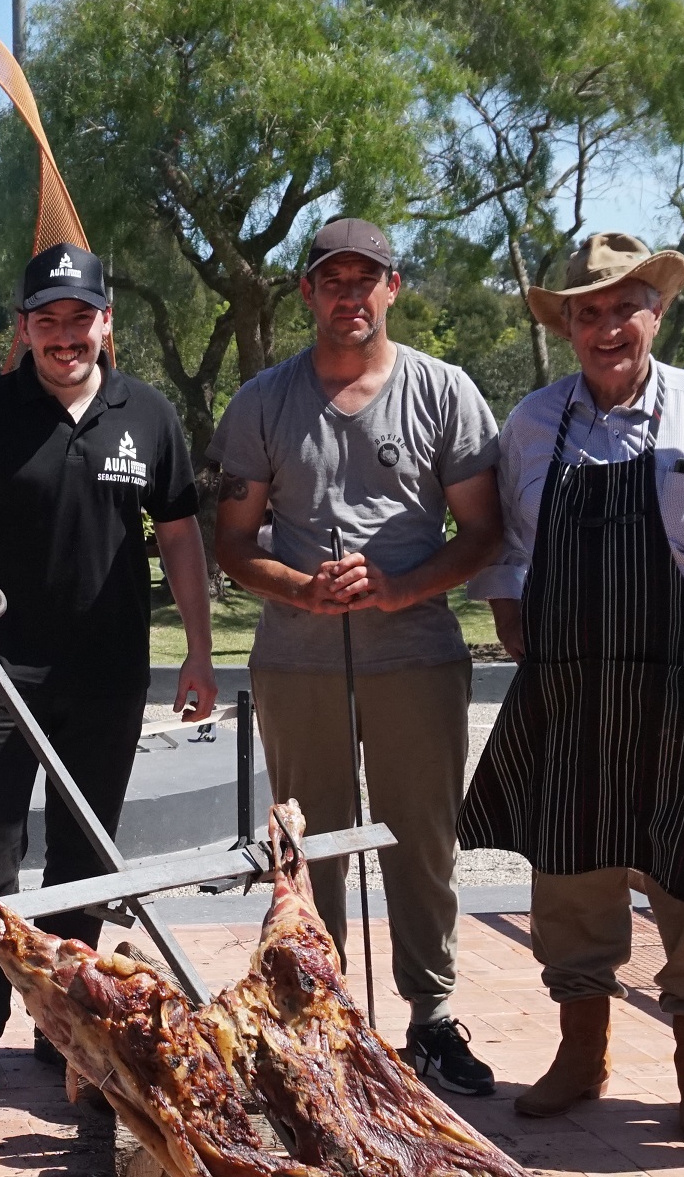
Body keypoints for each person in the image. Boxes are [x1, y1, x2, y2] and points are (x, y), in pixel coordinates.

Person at [0, 242, 217, 1096]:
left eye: (80, 318)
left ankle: (68, 1022)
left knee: (85, 855)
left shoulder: (150, 415)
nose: (65, 337)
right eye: (47, 321)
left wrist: (199, 650)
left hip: (109, 668)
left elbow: (179, 538)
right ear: (23, 330)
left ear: (106, 323)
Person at [459, 233, 684, 1141]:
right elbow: (512, 545)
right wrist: (511, 615)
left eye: (623, 307)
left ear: (658, 311)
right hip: (570, 680)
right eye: (586, 312)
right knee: (569, 863)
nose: (606, 327)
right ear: (566, 325)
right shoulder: (532, 423)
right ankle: (581, 1045)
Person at [210, 218, 505, 1096]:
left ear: (393, 288)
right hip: (299, 660)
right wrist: (300, 588)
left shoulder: (444, 391)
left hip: (416, 654)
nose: (350, 295)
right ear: (306, 293)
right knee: (310, 849)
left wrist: (402, 587)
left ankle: (432, 1016)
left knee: (423, 840)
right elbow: (232, 541)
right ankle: (319, 1015)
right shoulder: (262, 402)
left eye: (365, 279)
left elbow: (483, 531)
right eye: (331, 280)